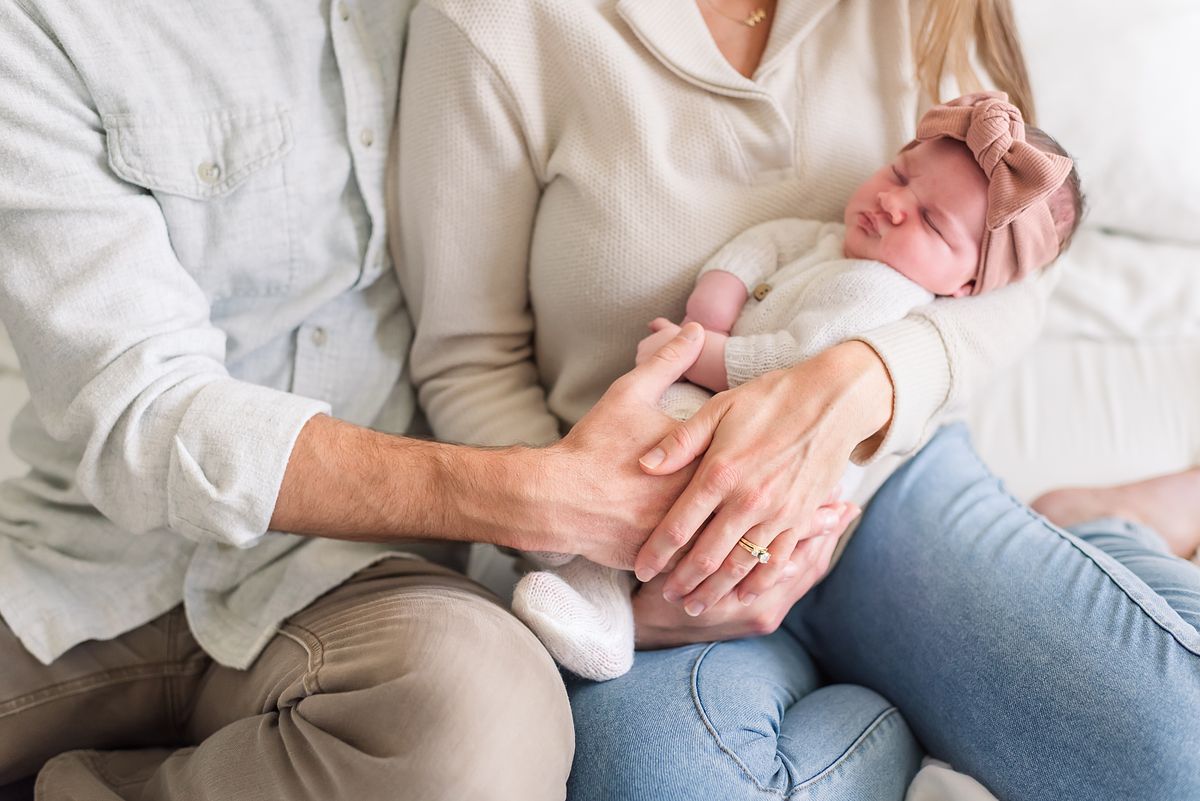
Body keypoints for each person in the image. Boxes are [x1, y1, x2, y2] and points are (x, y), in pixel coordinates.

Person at [395, 0, 1200, 799]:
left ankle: (1088, 533)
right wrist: (594, 533)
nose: (891, 202)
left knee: (1179, 745)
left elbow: (1023, 274)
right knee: (655, 784)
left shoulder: (928, 14)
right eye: (897, 179)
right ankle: (897, 703)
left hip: (887, 491)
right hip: (664, 544)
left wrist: (864, 379)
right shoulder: (495, 26)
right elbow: (469, 363)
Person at [0, 3, 801, 799]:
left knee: (486, 727)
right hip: (80, 573)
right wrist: (541, 498)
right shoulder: (37, 24)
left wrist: (676, 553)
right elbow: (141, 420)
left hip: (355, 575)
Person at [509, 93, 1081, 682]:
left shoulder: (883, 293)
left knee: (674, 487)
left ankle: (595, 590)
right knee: (645, 454)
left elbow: (792, 373)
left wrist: (699, 351)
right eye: (900, 174)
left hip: (769, 461)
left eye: (932, 221)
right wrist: (719, 295)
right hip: (708, 411)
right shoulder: (826, 239)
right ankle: (579, 551)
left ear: (965, 287)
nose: (892, 203)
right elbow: (764, 243)